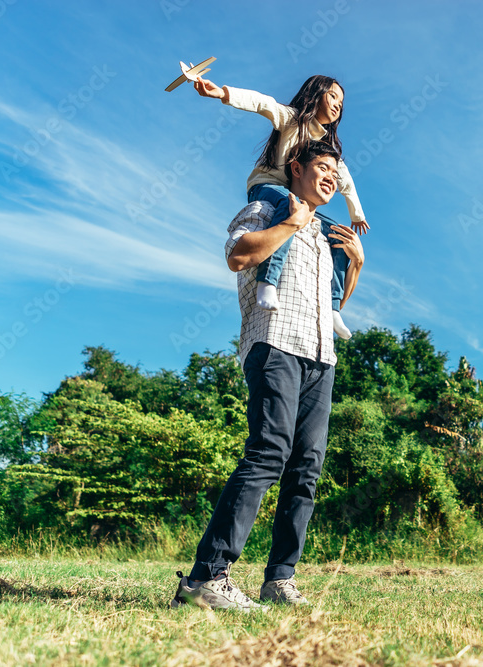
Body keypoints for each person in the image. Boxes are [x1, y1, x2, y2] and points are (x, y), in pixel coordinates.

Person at [171, 141, 364, 611]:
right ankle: (206, 578)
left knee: (307, 467)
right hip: (274, 342)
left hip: (321, 355)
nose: (330, 180)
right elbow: (238, 255)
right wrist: (289, 223)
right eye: (322, 168)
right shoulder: (268, 206)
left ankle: (279, 579)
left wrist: (355, 262)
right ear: (295, 167)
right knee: (268, 452)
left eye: (335, 175)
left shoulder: (325, 232)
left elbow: (335, 304)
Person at [193, 74, 369, 340]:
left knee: (339, 235)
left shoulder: (325, 147)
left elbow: (346, 180)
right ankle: (268, 281)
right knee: (292, 209)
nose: (337, 106)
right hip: (267, 186)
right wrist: (223, 93)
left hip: (292, 195)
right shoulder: (292, 119)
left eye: (341, 103)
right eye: (333, 96)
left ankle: (333, 308)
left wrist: (356, 214)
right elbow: (262, 103)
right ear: (315, 93)